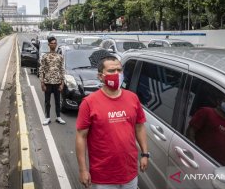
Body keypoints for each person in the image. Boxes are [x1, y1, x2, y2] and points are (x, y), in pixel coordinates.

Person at [76, 56, 149, 189]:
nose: (116, 74)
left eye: (119, 70)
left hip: (129, 172)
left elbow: (139, 127)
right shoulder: (89, 103)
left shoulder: (132, 98)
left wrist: (145, 153)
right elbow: (81, 137)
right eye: (111, 71)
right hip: (103, 176)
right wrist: (83, 170)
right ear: (100, 76)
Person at [186, 95, 225, 166]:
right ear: (219, 101)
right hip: (200, 161)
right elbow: (190, 132)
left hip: (218, 167)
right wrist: (193, 153)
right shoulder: (206, 112)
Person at [39, 36, 66, 125]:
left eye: (55, 43)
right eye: (51, 43)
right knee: (47, 101)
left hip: (57, 82)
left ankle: (58, 117)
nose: (53, 45)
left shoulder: (60, 57)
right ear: (49, 44)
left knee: (58, 101)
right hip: (48, 82)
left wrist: (62, 83)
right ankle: (47, 117)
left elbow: (62, 70)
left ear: (56, 44)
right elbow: (41, 69)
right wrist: (42, 83)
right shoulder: (45, 56)